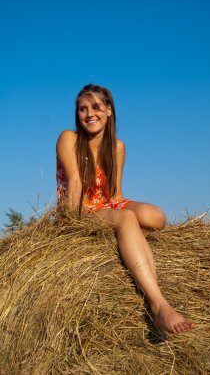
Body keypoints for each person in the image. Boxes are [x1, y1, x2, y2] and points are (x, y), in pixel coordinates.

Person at [56, 84, 195, 334]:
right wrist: (70, 228)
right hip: (82, 211)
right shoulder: (70, 139)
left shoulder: (117, 147)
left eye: (96, 107)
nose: (90, 114)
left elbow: (116, 193)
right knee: (127, 219)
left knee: (156, 216)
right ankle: (159, 305)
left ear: (109, 110)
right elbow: (75, 182)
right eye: (83, 109)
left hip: (106, 204)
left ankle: (130, 239)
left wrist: (122, 210)